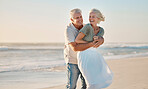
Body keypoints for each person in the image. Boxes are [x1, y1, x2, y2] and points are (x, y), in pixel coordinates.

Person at [64, 8, 104, 89]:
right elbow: (75, 48)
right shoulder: (69, 30)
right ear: (72, 19)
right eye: (77, 18)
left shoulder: (86, 27)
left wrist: (101, 39)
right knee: (71, 86)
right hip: (73, 61)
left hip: (85, 60)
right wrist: (91, 44)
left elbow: (96, 38)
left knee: (86, 85)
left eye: (80, 17)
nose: (80, 19)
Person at [75, 9, 113, 89]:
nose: (91, 18)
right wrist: (90, 43)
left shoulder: (101, 30)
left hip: (95, 56)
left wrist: (100, 39)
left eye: (93, 17)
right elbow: (77, 40)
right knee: (90, 81)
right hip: (84, 54)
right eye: (90, 16)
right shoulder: (87, 27)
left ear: (98, 18)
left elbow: (97, 44)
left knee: (98, 79)